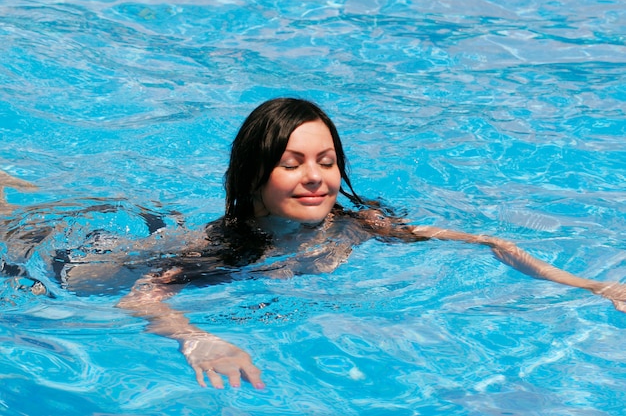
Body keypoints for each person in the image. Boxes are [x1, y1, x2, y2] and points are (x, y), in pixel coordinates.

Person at [2, 98, 626, 390]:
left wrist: (592, 285)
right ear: (255, 177)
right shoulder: (224, 250)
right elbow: (140, 298)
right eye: (293, 162)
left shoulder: (359, 225)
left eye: (326, 161)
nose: (316, 177)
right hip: (70, 266)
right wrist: (199, 336)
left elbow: (490, 241)